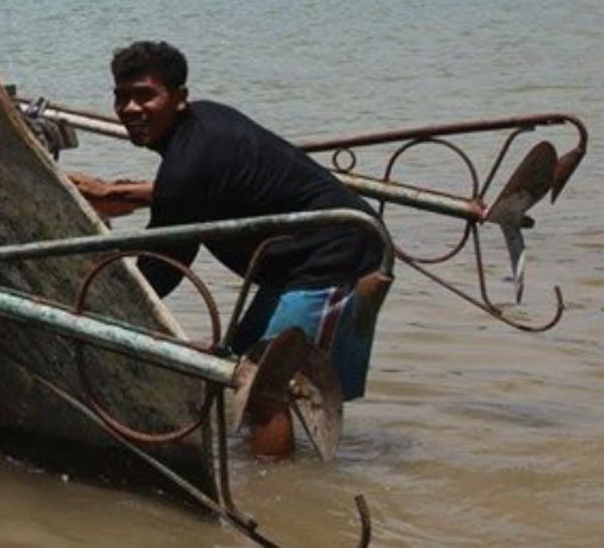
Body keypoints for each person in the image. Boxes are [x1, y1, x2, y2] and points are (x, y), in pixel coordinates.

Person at [77, 41, 389, 457]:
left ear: (180, 98)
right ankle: (268, 463)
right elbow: (206, 189)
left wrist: (92, 302)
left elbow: (166, 267)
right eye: (122, 97)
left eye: (145, 96)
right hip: (299, 261)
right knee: (240, 369)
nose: (131, 108)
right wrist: (120, 191)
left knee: (264, 392)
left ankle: (277, 497)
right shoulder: (205, 123)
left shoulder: (186, 165)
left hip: (337, 257)